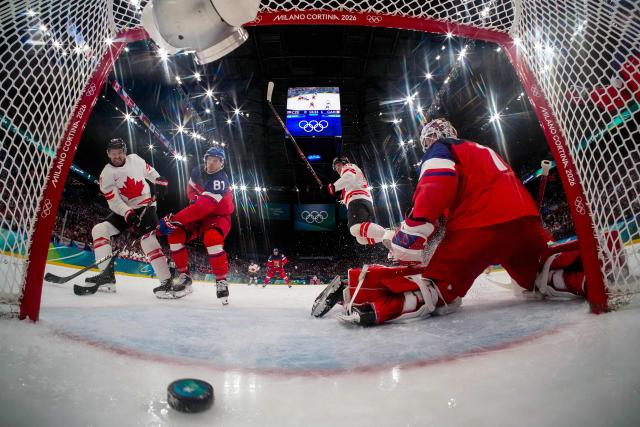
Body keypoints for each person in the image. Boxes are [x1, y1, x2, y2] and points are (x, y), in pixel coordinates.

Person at [313, 118, 586, 325]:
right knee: (537, 277)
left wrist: (409, 238)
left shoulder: (441, 150)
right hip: (525, 225)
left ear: (431, 138)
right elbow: (450, 210)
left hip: (479, 228)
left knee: (437, 288)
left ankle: (375, 307)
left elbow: (436, 188)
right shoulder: (482, 149)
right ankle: (583, 276)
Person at [83, 138, 172, 294]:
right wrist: (127, 213)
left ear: (125, 152)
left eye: (119, 153)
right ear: (108, 154)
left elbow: (150, 172)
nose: (117, 156)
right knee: (99, 230)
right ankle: (106, 276)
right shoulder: (106, 174)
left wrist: (159, 180)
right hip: (125, 209)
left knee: (147, 240)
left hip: (146, 205)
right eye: (113, 154)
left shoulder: (135, 159)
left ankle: (167, 281)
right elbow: (114, 201)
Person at [157, 147, 234, 304]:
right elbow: (191, 189)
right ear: (205, 159)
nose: (211, 163)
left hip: (217, 217)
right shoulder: (196, 171)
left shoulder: (220, 181)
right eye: (209, 159)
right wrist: (192, 201)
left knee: (212, 239)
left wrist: (173, 220)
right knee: (175, 234)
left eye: (216, 160)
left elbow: (202, 208)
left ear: (222, 164)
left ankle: (221, 280)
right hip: (199, 214)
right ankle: (184, 277)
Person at [327, 156, 391, 246]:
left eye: (338, 164)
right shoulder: (350, 174)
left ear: (344, 162)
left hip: (357, 200)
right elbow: (349, 185)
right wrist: (341, 197)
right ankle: (392, 244)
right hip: (361, 200)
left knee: (354, 228)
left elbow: (348, 177)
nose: (337, 168)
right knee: (361, 239)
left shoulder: (348, 166)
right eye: (335, 166)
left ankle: (389, 234)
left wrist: (332, 188)